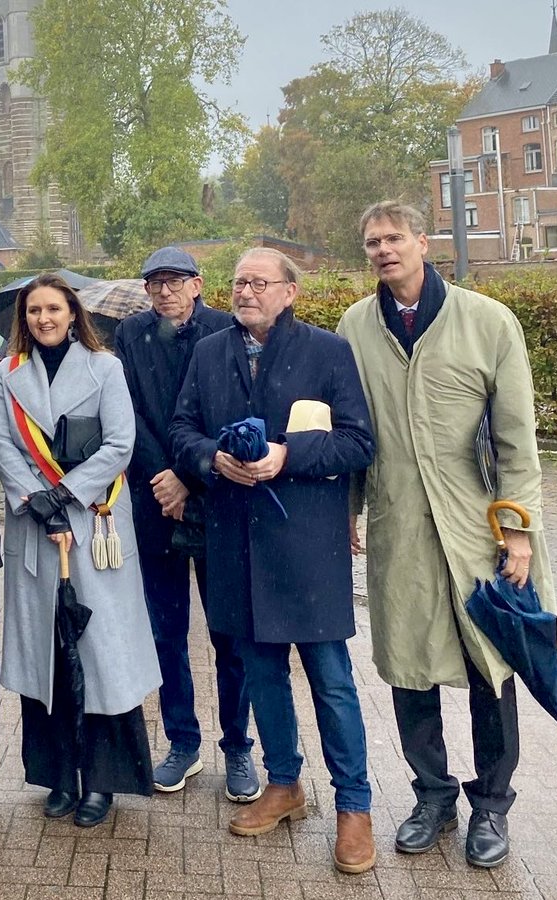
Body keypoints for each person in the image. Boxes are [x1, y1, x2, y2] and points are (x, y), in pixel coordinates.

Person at [337, 201, 556, 869]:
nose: (382, 249)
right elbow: (351, 429)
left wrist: (517, 532)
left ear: (422, 242)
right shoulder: (354, 327)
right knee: (408, 665)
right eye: (371, 240)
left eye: (393, 237)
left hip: (478, 525)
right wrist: (348, 508)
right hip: (399, 521)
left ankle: (491, 803)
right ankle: (433, 795)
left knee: (492, 665)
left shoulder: (487, 322)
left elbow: (518, 437)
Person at [170, 248, 377, 874]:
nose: (245, 291)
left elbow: (359, 440)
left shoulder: (326, 351)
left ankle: (354, 808)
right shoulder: (209, 351)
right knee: (260, 674)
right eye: (238, 281)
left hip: (307, 549)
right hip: (236, 543)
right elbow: (182, 430)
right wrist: (213, 459)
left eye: (259, 282)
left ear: (290, 292)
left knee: (332, 681)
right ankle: (283, 785)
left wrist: (287, 454)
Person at [0, 272, 160, 828]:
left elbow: (120, 443)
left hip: (94, 525)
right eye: (34, 310)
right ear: (25, 318)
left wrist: (65, 494)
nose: (44, 319)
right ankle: (59, 776)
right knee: (48, 658)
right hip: (36, 528)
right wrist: (35, 500)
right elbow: (1, 444)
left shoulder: (105, 367)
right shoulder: (6, 375)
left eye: (54, 309)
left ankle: (102, 782)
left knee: (101, 656)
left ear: (72, 314)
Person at [113, 247, 259, 801]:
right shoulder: (130, 336)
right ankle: (182, 741)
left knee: (228, 633)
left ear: (197, 285)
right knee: (165, 632)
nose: (164, 292)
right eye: (154, 284)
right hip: (155, 500)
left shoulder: (226, 331)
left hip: (214, 497)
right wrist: (162, 477)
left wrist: (189, 477)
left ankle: (238, 746)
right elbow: (126, 413)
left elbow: (232, 414)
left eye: (175, 281)